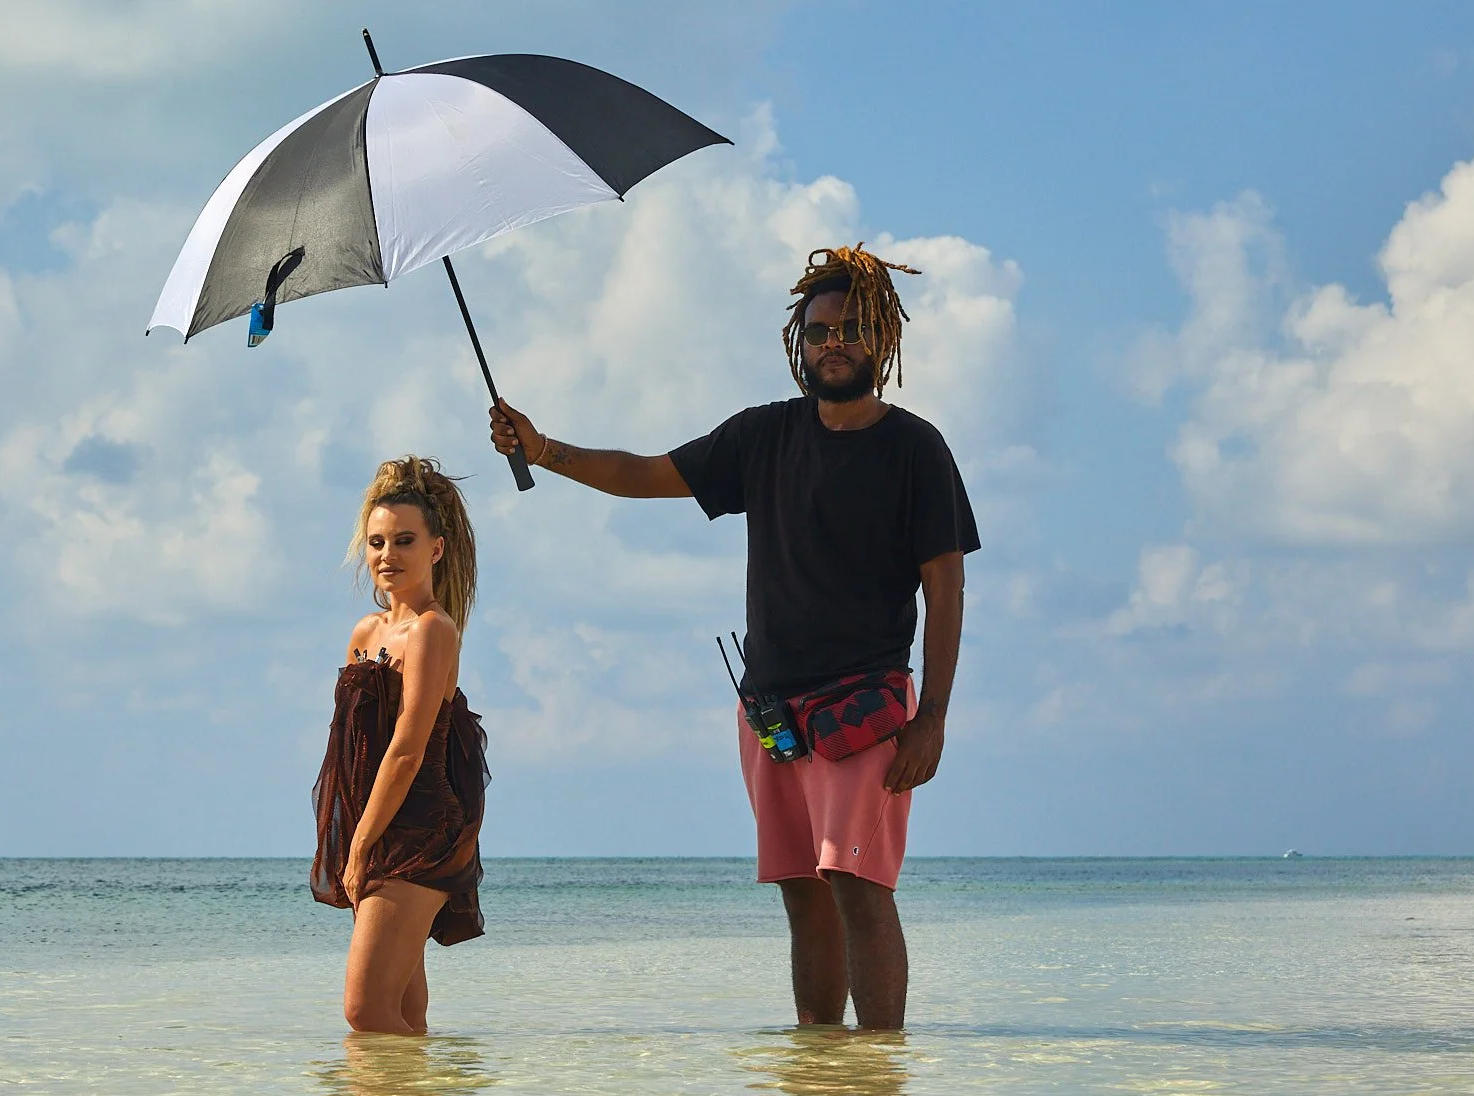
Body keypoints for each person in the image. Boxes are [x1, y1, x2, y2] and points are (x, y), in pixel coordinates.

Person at [488, 245, 979, 1030]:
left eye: (851, 329)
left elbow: (945, 586)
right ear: (798, 343)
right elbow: (646, 473)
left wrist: (935, 715)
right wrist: (543, 449)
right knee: (803, 892)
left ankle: (881, 1071)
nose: (833, 343)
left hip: (866, 708)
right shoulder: (764, 435)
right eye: (818, 332)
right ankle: (818, 1068)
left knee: (858, 886)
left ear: (882, 339)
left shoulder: (915, 448)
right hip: (772, 712)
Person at [310, 456, 490, 1035]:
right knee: (405, 1012)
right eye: (377, 542)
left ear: (436, 549)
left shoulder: (434, 630)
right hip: (375, 820)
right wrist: (350, 832)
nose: (388, 554)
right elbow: (350, 746)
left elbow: (409, 749)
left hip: (420, 829)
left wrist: (360, 845)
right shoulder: (365, 632)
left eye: (404, 540)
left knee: (365, 1011)